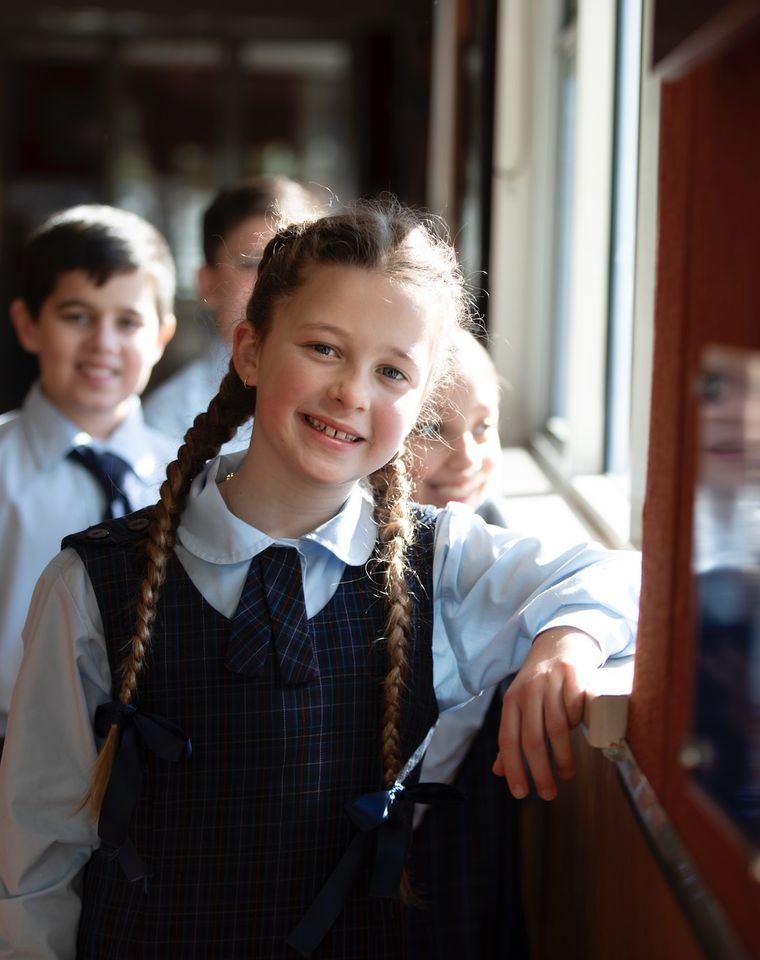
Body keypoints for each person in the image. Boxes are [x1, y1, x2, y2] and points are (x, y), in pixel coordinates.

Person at [0, 199, 640, 960]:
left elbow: (616, 576)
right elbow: (37, 866)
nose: (351, 393)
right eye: (325, 349)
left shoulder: (443, 561)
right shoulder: (89, 583)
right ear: (249, 349)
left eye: (392, 371)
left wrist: (565, 645)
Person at [0, 204, 177, 758]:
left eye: (127, 322)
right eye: (77, 316)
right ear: (29, 324)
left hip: (153, 761)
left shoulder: (194, 478)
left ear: (162, 335)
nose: (103, 342)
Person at [405, 327, 528, 957]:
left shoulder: (516, 569)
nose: (467, 457)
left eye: (484, 427)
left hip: (453, 859)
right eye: (432, 429)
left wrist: (566, 640)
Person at [143, 175, 320, 448]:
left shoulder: (349, 394)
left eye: (291, 262)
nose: (273, 281)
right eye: (250, 264)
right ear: (207, 284)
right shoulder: (171, 417)